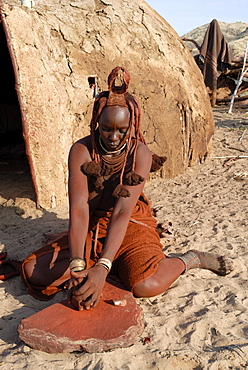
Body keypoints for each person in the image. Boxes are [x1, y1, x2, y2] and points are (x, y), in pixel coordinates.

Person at [21, 67, 232, 310]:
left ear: (132, 126)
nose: (113, 137)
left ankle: (191, 259)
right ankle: (106, 266)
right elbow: (79, 209)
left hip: (130, 223)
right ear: (96, 123)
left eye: (122, 130)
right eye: (106, 129)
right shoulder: (81, 150)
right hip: (92, 225)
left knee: (146, 285)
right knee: (34, 273)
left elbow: (122, 212)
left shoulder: (139, 153)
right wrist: (78, 267)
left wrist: (102, 266)